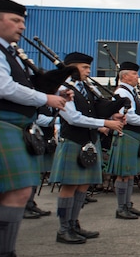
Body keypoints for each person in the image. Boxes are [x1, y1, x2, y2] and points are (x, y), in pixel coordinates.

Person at [0, 0, 72, 257]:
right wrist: (45, 97)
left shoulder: (9, 52)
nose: (21, 26)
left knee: (5, 194)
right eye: (15, 20)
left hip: (11, 125)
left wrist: (53, 94)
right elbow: (1, 86)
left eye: (23, 21)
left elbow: (24, 87)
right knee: (16, 192)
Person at [51, 52, 125, 243]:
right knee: (69, 186)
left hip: (89, 141)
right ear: (72, 68)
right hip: (73, 141)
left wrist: (112, 117)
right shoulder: (62, 88)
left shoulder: (85, 87)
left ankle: (74, 223)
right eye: (84, 67)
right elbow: (73, 118)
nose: (88, 71)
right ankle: (63, 228)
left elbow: (95, 109)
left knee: (83, 185)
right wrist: (105, 123)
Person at [106, 62, 140, 219]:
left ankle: (127, 205)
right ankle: (121, 208)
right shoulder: (123, 92)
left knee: (129, 174)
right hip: (126, 136)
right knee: (123, 174)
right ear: (125, 76)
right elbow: (128, 116)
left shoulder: (131, 92)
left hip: (132, 137)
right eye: (134, 74)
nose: (137, 77)